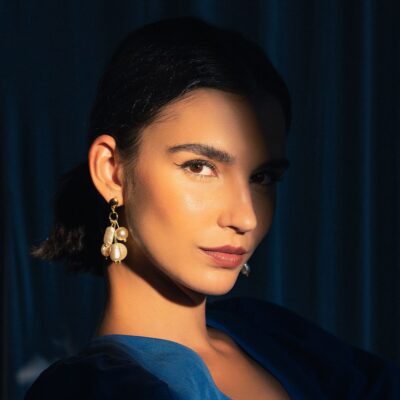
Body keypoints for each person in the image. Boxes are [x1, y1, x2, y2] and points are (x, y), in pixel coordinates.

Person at [25, 17, 399, 400]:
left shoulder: (269, 331)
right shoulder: (88, 389)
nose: (246, 218)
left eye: (262, 177)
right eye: (200, 167)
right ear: (112, 172)